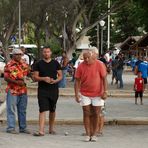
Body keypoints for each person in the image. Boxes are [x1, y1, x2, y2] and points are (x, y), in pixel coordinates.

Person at [74, 49, 108, 142]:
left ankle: (94, 134)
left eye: (88, 58)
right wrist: (76, 94)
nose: (86, 60)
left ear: (93, 57)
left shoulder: (100, 64)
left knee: (96, 114)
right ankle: (88, 134)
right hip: (84, 93)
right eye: (85, 58)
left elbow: (104, 79)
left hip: (98, 93)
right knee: (86, 112)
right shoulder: (81, 66)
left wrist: (105, 91)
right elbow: (77, 81)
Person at [33, 47, 62, 136]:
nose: (46, 53)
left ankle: (51, 129)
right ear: (42, 53)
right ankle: (41, 130)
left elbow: (60, 76)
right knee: (42, 109)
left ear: (51, 53)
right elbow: (35, 77)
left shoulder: (56, 63)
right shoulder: (38, 64)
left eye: (48, 52)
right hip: (42, 90)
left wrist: (55, 81)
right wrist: (44, 78)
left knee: (52, 109)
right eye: (45, 52)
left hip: (54, 89)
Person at [4, 49, 30, 134]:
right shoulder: (9, 65)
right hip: (12, 90)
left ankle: (23, 128)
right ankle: (11, 128)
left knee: (22, 110)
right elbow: (6, 77)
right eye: (17, 54)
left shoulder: (24, 64)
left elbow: (27, 73)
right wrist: (16, 82)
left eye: (20, 54)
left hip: (23, 90)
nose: (19, 56)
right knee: (11, 109)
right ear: (13, 55)